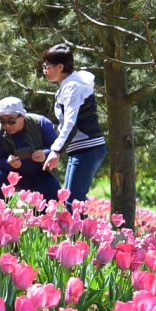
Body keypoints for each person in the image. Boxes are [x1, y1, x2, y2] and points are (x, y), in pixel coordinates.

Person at [41, 44, 106, 209]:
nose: (44, 69)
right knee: (70, 199)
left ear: (60, 67)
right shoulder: (67, 85)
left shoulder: (72, 87)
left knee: (74, 202)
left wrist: (56, 150)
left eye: (47, 65)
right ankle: (76, 235)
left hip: (88, 148)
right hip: (80, 149)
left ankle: (80, 235)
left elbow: (71, 123)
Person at [0, 96, 61, 203]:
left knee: (53, 191)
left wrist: (45, 154)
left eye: (11, 121)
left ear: (22, 116)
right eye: (2, 121)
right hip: (13, 177)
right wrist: (8, 163)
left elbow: (57, 149)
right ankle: (3, 214)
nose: (7, 125)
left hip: (41, 176)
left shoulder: (41, 124)